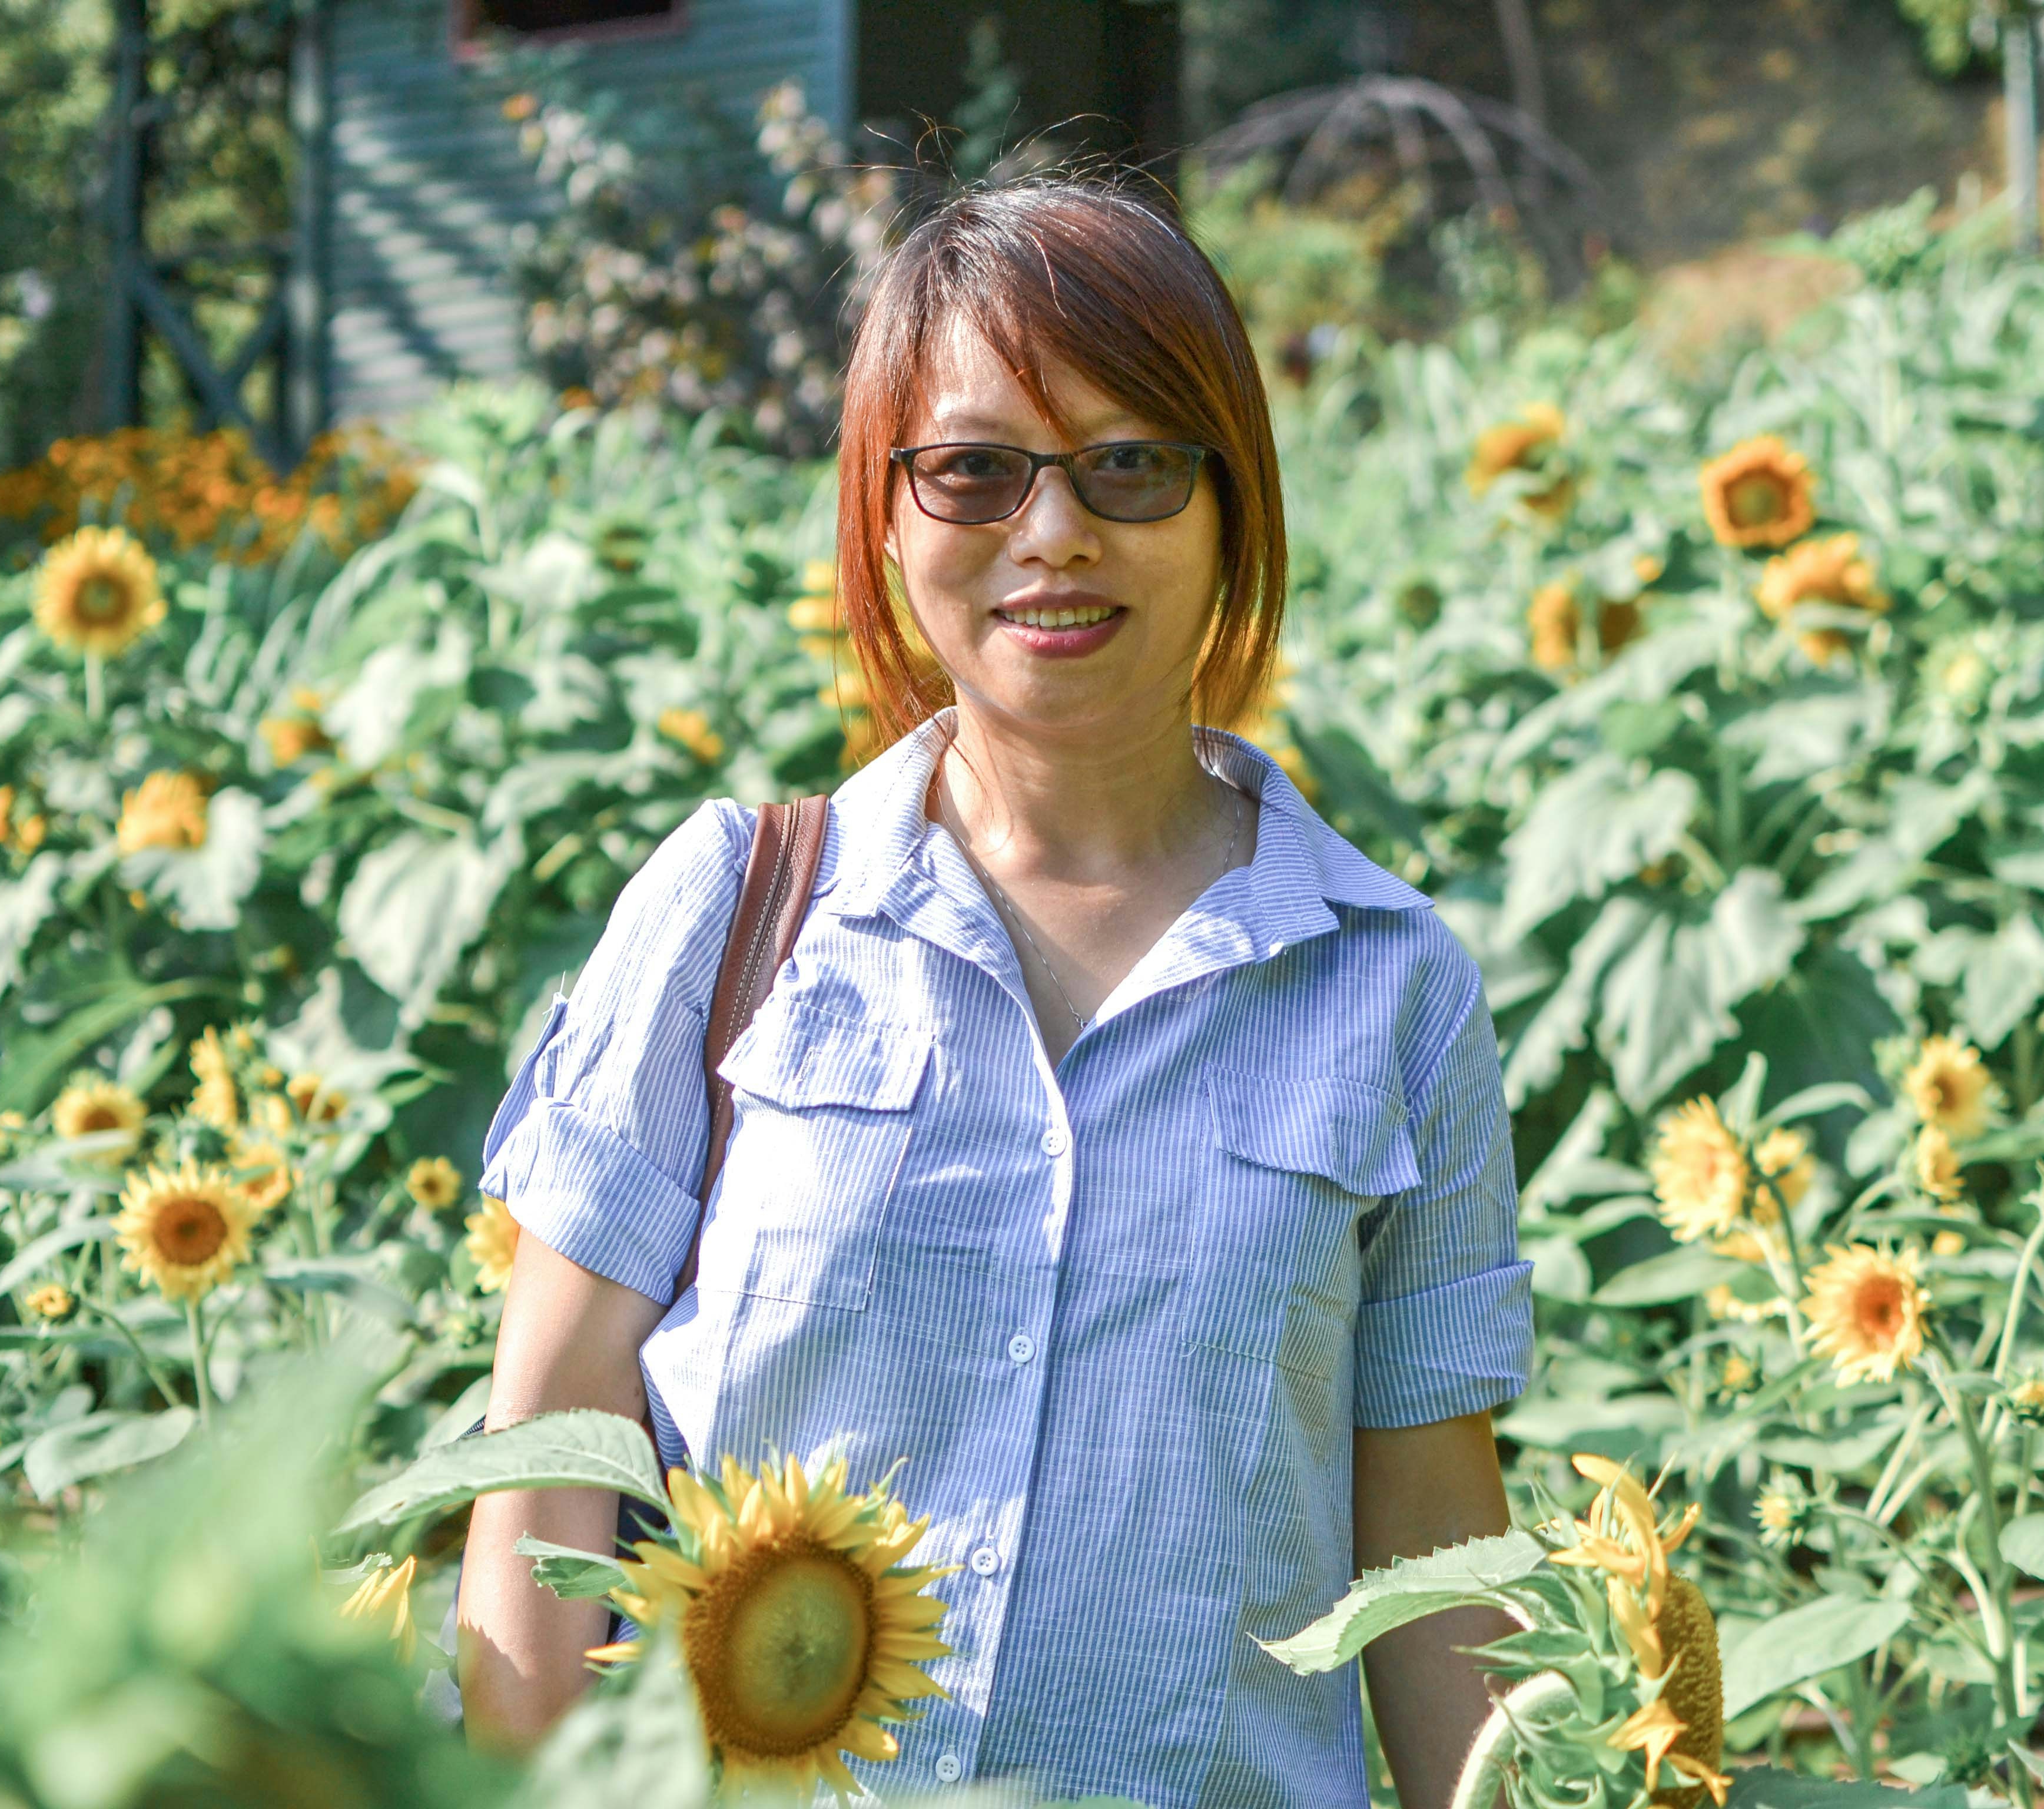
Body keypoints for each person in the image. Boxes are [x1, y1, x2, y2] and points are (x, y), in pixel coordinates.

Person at [455, 177, 1533, 1808]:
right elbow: (547, 1450)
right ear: (883, 518)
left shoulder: (1389, 990)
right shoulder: (736, 910)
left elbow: (1430, 1553)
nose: (1053, 530)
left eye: (1133, 463)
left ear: (1231, 506)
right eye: (972, 469)